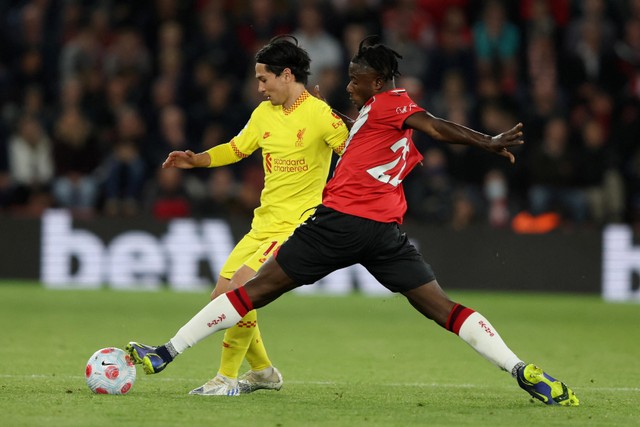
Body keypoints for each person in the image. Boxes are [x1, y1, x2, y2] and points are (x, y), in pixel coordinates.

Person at [128, 36, 579, 406]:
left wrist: (486, 141)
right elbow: (375, 138)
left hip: (337, 222)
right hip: (384, 233)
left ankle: (167, 354)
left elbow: (434, 125)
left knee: (250, 292)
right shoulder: (368, 115)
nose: (347, 85)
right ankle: (520, 368)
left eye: (355, 79)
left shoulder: (389, 104)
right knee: (443, 307)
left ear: (378, 81)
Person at [134, 35, 348, 396]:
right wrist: (198, 159)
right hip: (262, 225)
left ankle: (225, 379)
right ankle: (263, 371)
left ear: (286, 75)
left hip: (296, 227)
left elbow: (356, 155)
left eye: (264, 79)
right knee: (223, 297)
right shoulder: (263, 114)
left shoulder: (321, 116)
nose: (259, 87)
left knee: (239, 293)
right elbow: (237, 148)